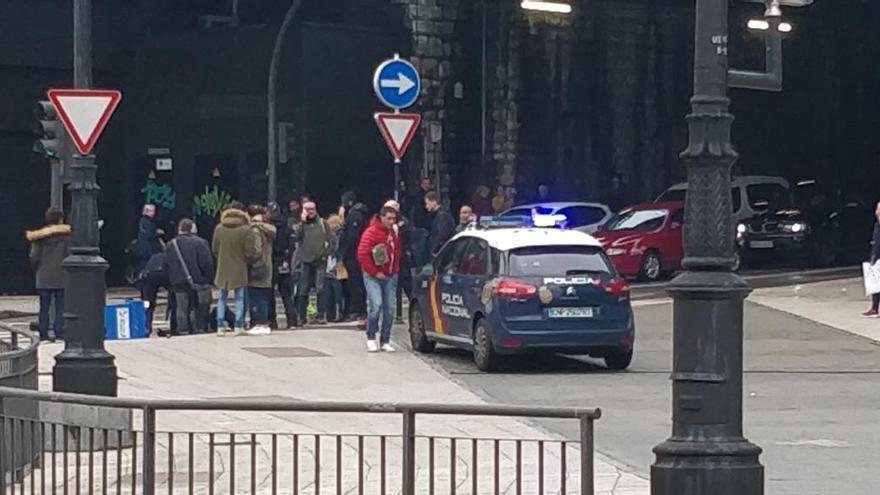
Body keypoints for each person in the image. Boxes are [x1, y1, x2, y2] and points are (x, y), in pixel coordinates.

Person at [357, 206, 402, 352]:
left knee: (390, 309)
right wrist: (375, 272)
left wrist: (394, 270)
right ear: (381, 217)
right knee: (376, 305)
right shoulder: (371, 232)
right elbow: (362, 254)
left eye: (393, 219)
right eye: (389, 218)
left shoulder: (393, 233)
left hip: (390, 275)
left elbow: (397, 252)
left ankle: (385, 340)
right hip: (373, 276)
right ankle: (371, 336)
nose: (391, 221)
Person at [27, 207, 71, 342]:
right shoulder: (67, 236)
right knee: (60, 306)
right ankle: (59, 332)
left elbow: (33, 257)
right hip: (61, 276)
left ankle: (43, 334)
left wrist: (38, 269)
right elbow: (69, 254)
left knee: (44, 307)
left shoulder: (38, 238)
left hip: (43, 276)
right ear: (60, 219)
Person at [165, 218, 214, 335]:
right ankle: (198, 327)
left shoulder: (171, 244)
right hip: (198, 280)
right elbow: (206, 263)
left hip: (177, 281)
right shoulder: (201, 243)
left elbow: (166, 264)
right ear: (192, 228)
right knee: (199, 305)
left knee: (181, 307)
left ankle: (183, 329)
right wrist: (208, 278)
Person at [212, 201, 251, 336]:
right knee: (239, 297)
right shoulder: (245, 229)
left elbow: (215, 248)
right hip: (240, 266)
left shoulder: (219, 228)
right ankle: (239, 325)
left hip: (223, 266)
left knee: (222, 297)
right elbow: (249, 251)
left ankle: (220, 325)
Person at [292, 200, 333, 325]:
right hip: (305, 260)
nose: (310, 212)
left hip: (320, 260)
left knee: (320, 288)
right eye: (307, 209)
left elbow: (330, 240)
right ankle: (301, 317)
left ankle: (321, 315)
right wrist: (302, 222)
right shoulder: (301, 225)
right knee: (303, 289)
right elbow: (297, 236)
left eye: (312, 209)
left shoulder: (322, 223)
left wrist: (325, 254)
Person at [338, 191, 370, 321]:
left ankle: (358, 310)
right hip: (356, 254)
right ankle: (358, 309)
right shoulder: (358, 214)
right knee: (356, 283)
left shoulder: (355, 215)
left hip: (353, 255)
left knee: (355, 283)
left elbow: (351, 236)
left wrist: (345, 252)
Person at [246, 205, 277, 335]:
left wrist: (250, 260)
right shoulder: (268, 228)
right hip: (267, 265)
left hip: (257, 266)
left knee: (255, 296)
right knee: (264, 295)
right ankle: (264, 322)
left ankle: (258, 323)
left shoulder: (254, 230)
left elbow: (256, 250)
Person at [266, 202, 297, 329]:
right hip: (284, 261)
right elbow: (291, 244)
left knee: (270, 293)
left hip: (272, 260)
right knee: (286, 293)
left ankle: (272, 321)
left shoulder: (268, 228)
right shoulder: (287, 226)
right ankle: (292, 320)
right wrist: (287, 259)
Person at [410, 177, 436, 266]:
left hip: (422, 225)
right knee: (421, 249)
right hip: (422, 225)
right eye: (425, 184)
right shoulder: (420, 197)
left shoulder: (419, 196)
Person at [324, 214, 345, 322]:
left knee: (336, 293)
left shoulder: (337, 236)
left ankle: (336, 313)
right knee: (331, 292)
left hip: (335, 265)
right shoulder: (331, 236)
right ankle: (332, 314)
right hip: (331, 265)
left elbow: (336, 250)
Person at [425, 192, 456, 257]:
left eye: (427, 203)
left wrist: (435, 249)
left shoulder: (442, 215)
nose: (426, 206)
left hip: (442, 253)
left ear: (434, 202)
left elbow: (442, 235)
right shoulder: (440, 214)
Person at [863, 201, 880, 317]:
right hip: (878, 257)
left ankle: (874, 308)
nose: (877, 213)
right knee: (876, 283)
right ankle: (874, 308)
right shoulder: (877, 226)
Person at [135, 204, 162, 272]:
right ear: (146, 211)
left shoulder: (144, 221)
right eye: (152, 211)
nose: (153, 213)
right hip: (148, 249)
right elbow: (149, 234)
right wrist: (157, 233)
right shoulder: (146, 222)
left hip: (145, 248)